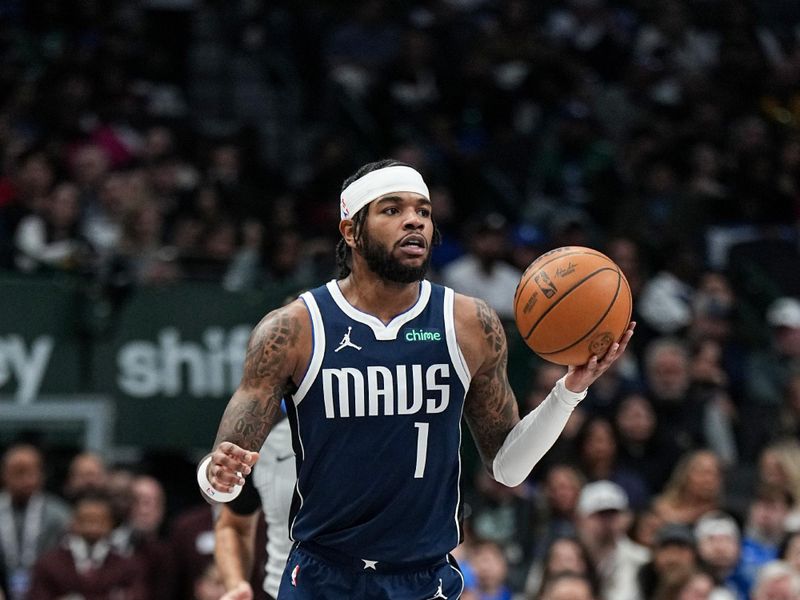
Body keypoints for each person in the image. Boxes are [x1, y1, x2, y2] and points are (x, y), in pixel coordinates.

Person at [197, 160, 635, 599]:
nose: (414, 220)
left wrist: (569, 391)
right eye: (391, 209)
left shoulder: (469, 323)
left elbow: (508, 468)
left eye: (423, 211)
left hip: (425, 578)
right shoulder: (292, 329)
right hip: (323, 575)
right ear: (351, 232)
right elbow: (225, 472)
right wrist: (216, 474)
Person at [216, 413, 295, 600]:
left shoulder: (375, 429)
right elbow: (232, 526)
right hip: (281, 591)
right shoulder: (262, 438)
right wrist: (237, 585)